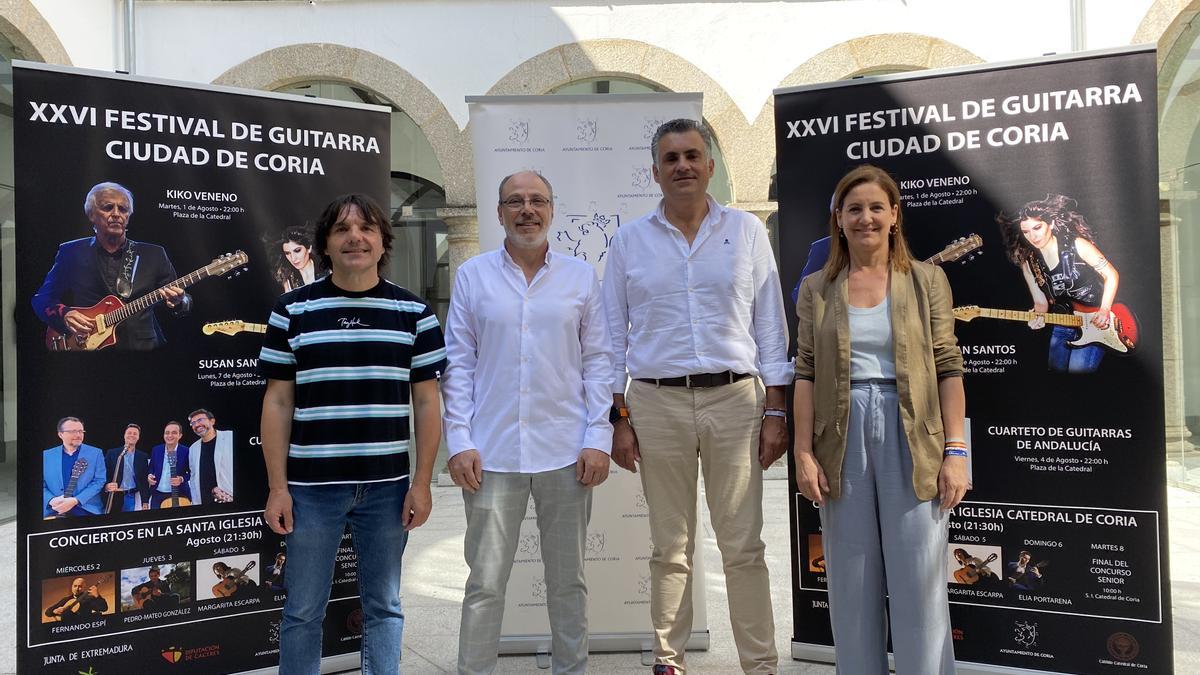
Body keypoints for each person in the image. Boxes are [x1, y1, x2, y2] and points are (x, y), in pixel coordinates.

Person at [602, 118, 790, 675]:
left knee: (743, 546)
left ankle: (760, 665)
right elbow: (612, 337)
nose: (682, 165)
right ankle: (669, 660)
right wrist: (618, 417)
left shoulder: (747, 233)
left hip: (735, 402)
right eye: (670, 158)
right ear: (654, 171)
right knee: (670, 546)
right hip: (655, 404)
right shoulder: (629, 240)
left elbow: (771, 327)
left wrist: (776, 408)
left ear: (711, 165)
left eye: (692, 155)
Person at [259, 193, 447, 675]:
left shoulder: (415, 314)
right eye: (342, 230)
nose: (355, 238)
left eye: (366, 228)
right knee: (302, 612)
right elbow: (278, 401)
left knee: (385, 607)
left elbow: (426, 402)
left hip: (386, 488)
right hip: (310, 490)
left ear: (383, 241)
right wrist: (278, 488)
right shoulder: (292, 310)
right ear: (325, 243)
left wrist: (422, 483)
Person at [793, 164, 968, 674]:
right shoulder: (816, 289)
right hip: (840, 437)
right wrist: (803, 453)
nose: (865, 218)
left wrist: (956, 451)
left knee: (920, 582)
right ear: (839, 219)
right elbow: (805, 370)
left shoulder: (926, 280)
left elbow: (948, 365)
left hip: (913, 435)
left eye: (875, 207)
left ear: (894, 214)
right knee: (851, 583)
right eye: (854, 209)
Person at [443, 171, 613, 675]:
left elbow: (599, 361)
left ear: (552, 210)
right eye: (514, 202)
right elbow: (459, 364)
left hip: (566, 450)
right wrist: (459, 440)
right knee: (485, 582)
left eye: (537, 200)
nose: (527, 210)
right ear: (498, 214)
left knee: (568, 581)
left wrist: (598, 436)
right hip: (491, 455)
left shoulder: (581, 277)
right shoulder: (473, 276)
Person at [31, 181, 190, 351]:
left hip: (142, 349)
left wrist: (180, 301)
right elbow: (42, 299)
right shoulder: (71, 251)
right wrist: (65, 315)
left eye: (123, 209)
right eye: (108, 207)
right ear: (91, 214)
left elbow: (183, 299)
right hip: (85, 348)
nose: (116, 214)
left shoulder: (154, 254)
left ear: (128, 215)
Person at [998, 193, 1120, 373]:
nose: (1033, 236)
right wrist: (1038, 317)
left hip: (1095, 321)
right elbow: (1040, 302)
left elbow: (1111, 274)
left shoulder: (1077, 245)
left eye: (1037, 228)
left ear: (1051, 224)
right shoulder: (1029, 261)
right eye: (1026, 231)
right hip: (1062, 324)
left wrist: (1104, 309)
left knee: (1079, 374)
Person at [43, 416, 106, 518]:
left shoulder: (96, 453)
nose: (78, 435)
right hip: (54, 510)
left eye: (81, 431)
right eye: (73, 431)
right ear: (60, 434)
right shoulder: (46, 455)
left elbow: (99, 481)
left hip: (86, 509)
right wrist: (51, 500)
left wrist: (75, 500)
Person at [187, 408, 234, 505]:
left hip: (230, 499)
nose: (196, 425)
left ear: (212, 421)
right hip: (204, 503)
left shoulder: (230, 437)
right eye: (193, 423)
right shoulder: (193, 448)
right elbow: (193, 476)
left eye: (200, 420)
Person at [103, 423, 151, 513]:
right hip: (114, 495)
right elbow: (104, 473)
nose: (132, 435)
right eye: (129, 433)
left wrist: (145, 501)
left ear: (138, 437)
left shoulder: (142, 456)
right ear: (124, 435)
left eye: (135, 433)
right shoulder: (112, 453)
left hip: (130, 496)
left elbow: (144, 480)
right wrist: (106, 486)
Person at [147, 421, 191, 508]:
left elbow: (192, 472)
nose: (170, 435)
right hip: (157, 495)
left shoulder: (187, 451)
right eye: (167, 433)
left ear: (180, 435)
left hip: (179, 494)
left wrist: (181, 479)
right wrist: (149, 475)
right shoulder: (156, 449)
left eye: (174, 433)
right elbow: (151, 467)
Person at [270, 228, 324, 292]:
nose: (293, 258)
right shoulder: (288, 280)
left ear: (309, 248)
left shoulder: (328, 268)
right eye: (287, 253)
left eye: (297, 250)